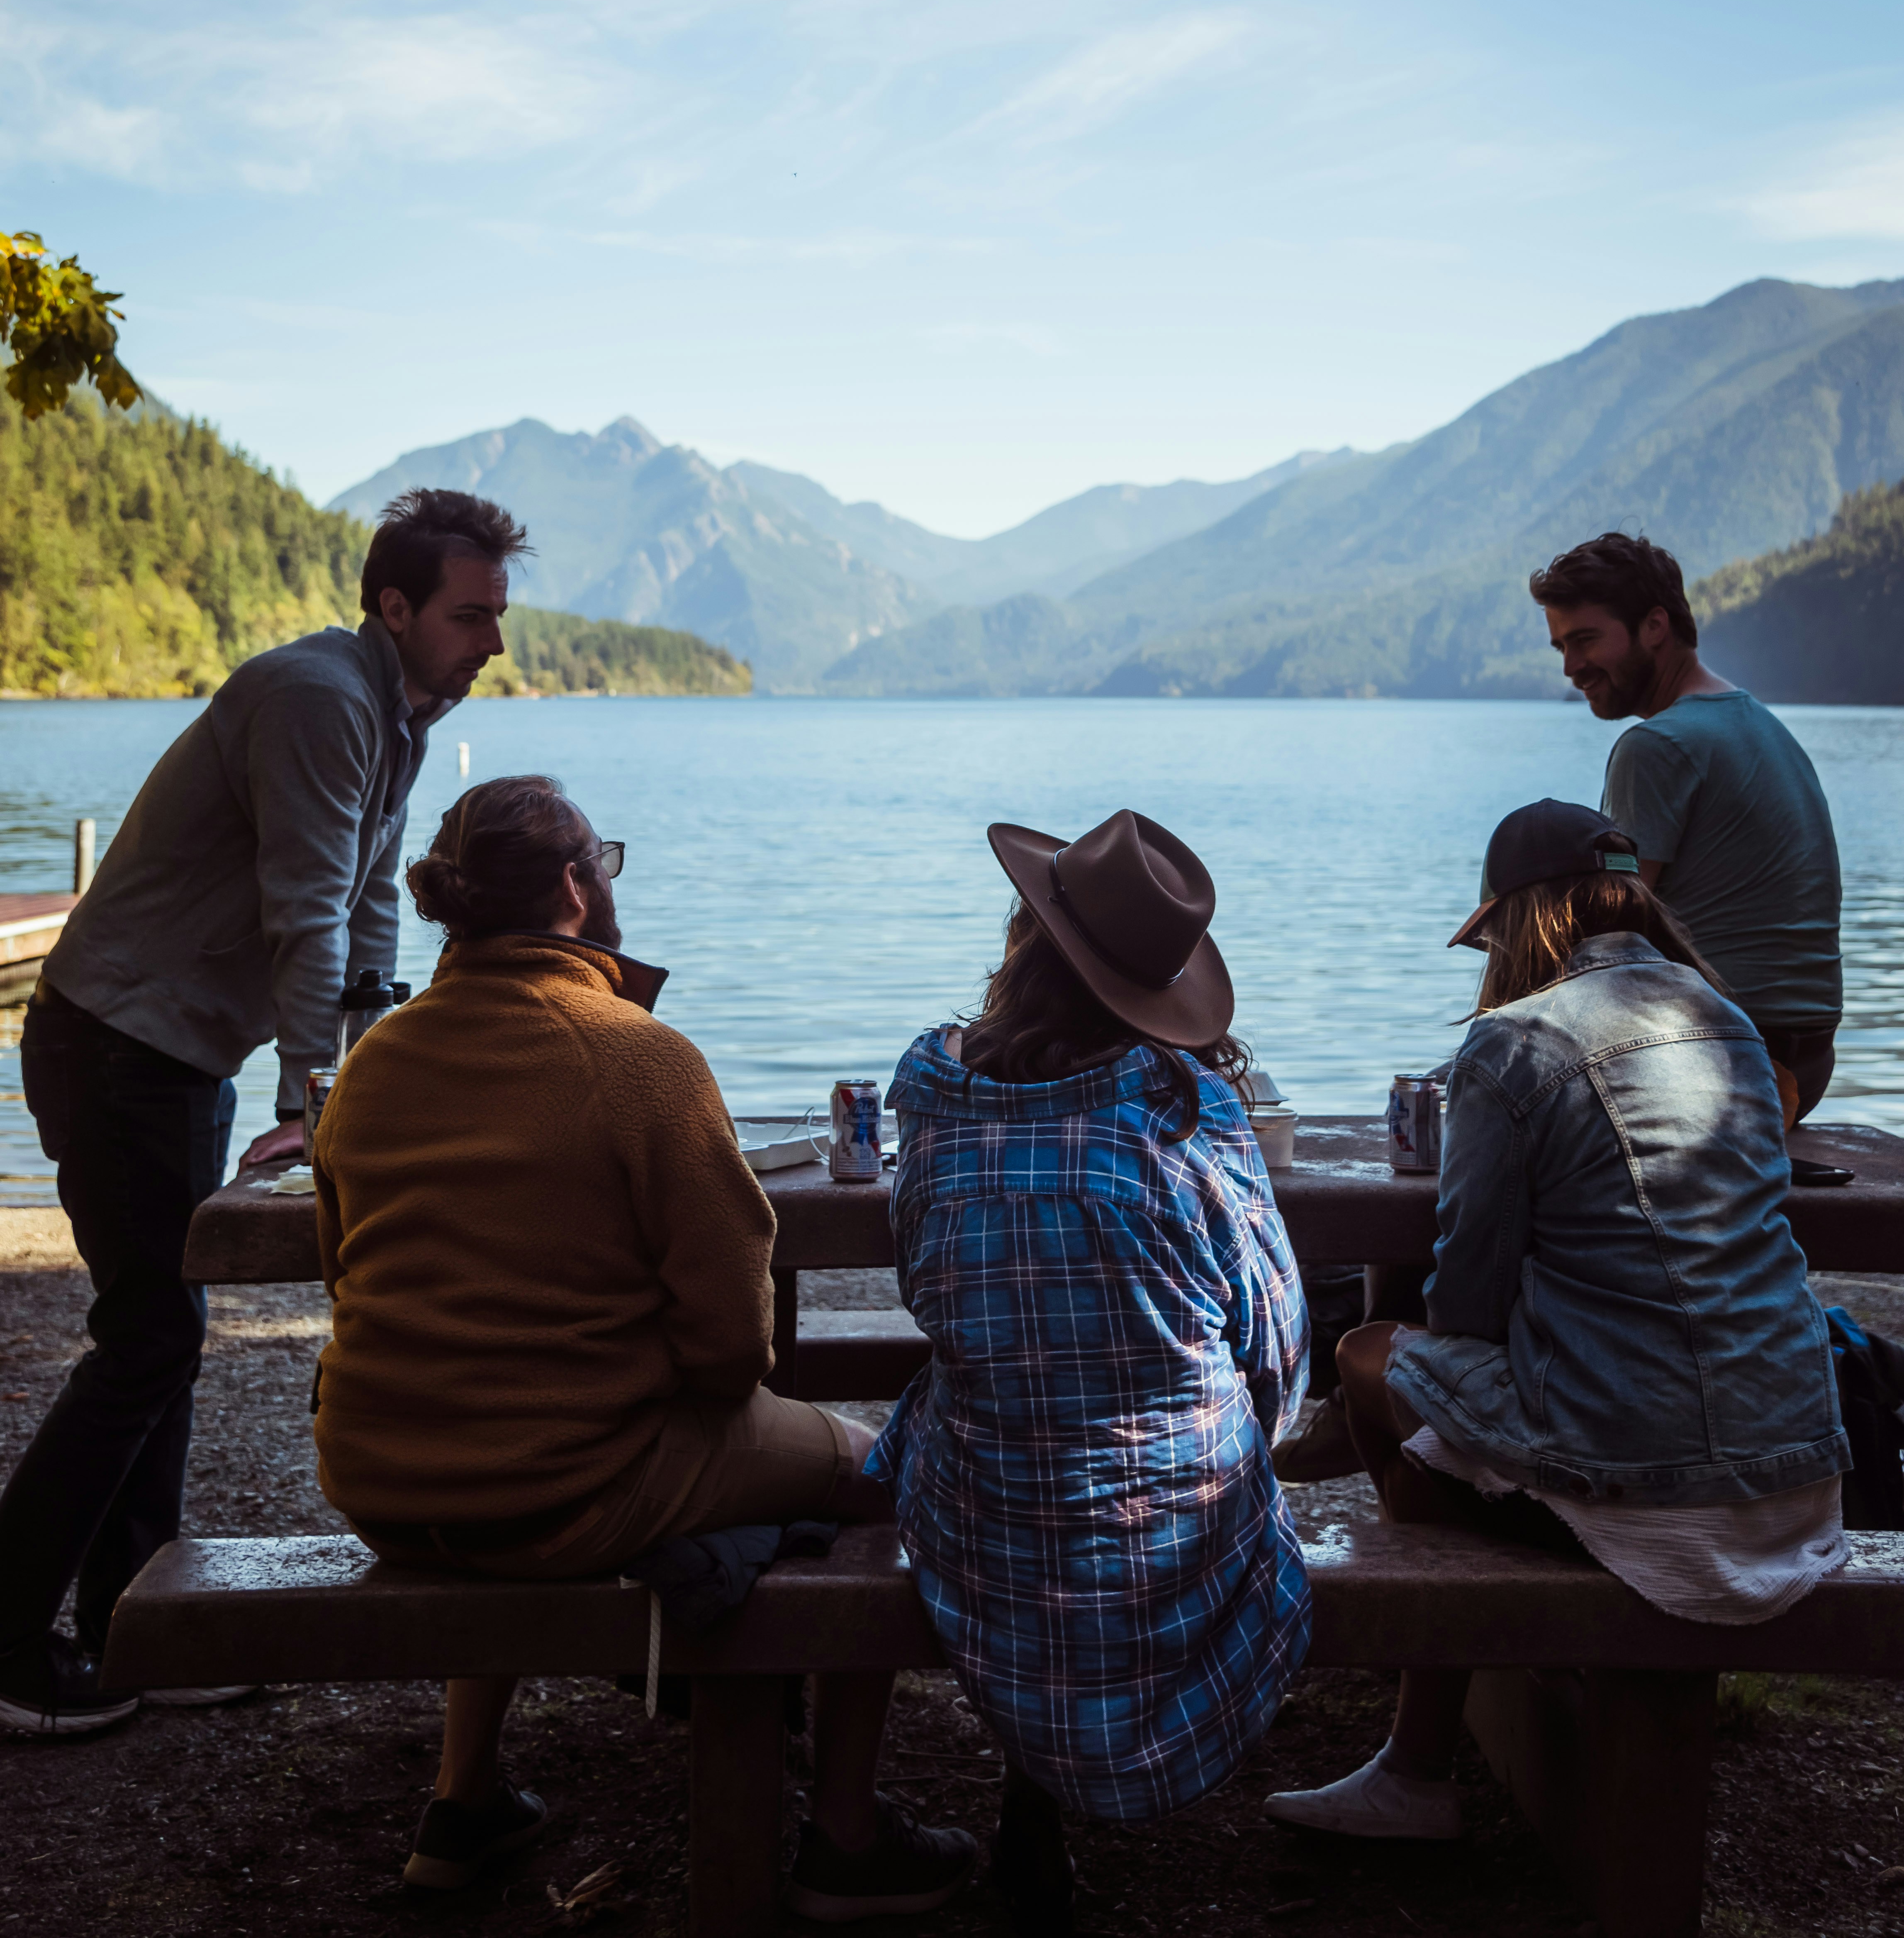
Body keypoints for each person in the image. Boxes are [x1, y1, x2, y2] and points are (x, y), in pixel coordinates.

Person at [311, 772, 975, 1917]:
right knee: (881, 1469)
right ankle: (846, 1839)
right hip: (562, 1484)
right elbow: (732, 1348)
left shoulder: (374, 1059)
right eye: (601, 859)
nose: (609, 879)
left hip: (379, 1471)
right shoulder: (636, 1058)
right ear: (575, 884)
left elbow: (344, 1269)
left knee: (510, 1415)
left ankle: (462, 1801)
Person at [0, 486, 524, 1740]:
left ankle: (137, 1624)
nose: (491, 643)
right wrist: (313, 1099)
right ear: (393, 606)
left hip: (170, 1049)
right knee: (148, 1334)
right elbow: (304, 907)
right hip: (119, 1041)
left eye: (497, 614)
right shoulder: (316, 699)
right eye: (469, 615)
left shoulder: (393, 712)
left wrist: (367, 1077)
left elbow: (365, 918)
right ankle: (12, 1641)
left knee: (162, 1334)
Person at [1265, 798, 1849, 1844]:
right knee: (1478, 1387)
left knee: (1369, 1357)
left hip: (1667, 1495)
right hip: (1799, 1470)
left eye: (1488, 937)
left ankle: (1420, 1751)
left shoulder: (1513, 1042)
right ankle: (1487, 1666)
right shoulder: (1733, 1022)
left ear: (1520, 921)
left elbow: (1469, 1306)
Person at [872, 810, 1312, 1932]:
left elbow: (926, 1293)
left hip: (988, 1522)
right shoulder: (1190, 1115)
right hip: (1180, 1537)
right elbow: (1277, 1344)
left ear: (1024, 938)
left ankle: (1029, 1777)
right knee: (1167, 1439)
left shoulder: (929, 1098)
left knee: (960, 1420)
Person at [1532, 528, 1842, 1120]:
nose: (1572, 667)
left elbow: (1610, 934)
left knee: (1491, 1070)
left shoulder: (1656, 745)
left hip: (1725, 1062)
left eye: (1585, 640)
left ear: (1654, 626)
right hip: (1806, 1059)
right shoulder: (1759, 725)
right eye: (1560, 648)